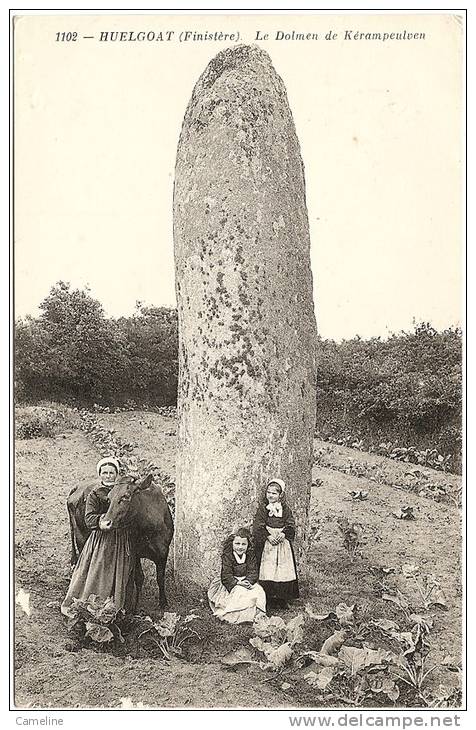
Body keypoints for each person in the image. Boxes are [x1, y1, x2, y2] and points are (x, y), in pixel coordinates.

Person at [61, 457, 137, 618]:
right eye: (105, 473)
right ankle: (94, 602)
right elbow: (89, 518)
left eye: (111, 473)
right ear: (100, 474)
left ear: (116, 475)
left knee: (119, 570)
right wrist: (101, 521)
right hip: (101, 540)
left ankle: (117, 605)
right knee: (98, 569)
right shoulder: (95, 493)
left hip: (119, 539)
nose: (108, 476)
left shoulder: (122, 492)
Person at [252, 478, 299, 609]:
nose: (270, 496)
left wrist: (284, 534)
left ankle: (282, 599)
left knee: (282, 569)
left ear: (280, 495)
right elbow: (258, 524)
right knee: (268, 569)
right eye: (268, 492)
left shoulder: (285, 509)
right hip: (269, 542)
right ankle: (267, 597)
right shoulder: (263, 508)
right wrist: (268, 536)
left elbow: (290, 523)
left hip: (281, 542)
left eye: (274, 493)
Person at [207, 527, 266, 624]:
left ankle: (257, 614)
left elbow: (253, 572)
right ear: (232, 543)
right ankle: (240, 616)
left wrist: (247, 581)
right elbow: (226, 575)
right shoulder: (228, 556)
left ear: (248, 545)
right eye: (237, 543)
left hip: (246, 581)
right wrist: (238, 583)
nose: (240, 547)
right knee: (240, 592)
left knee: (259, 591)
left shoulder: (250, 555)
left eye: (243, 544)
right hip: (232, 582)